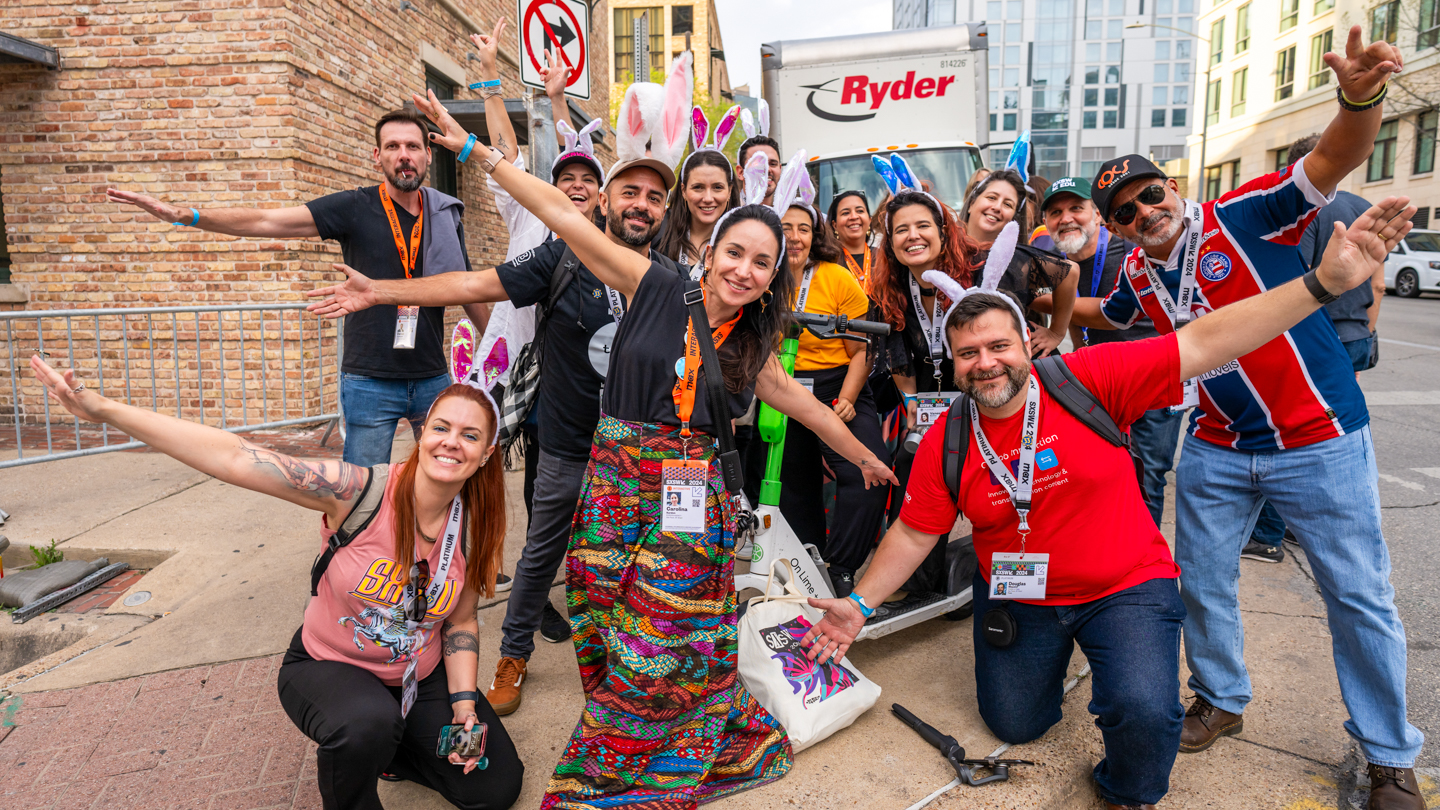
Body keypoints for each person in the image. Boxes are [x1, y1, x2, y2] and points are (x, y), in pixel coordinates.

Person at [798, 194, 1416, 810]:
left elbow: (1205, 341)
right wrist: (857, 605)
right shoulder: (948, 438)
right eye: (968, 354)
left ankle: (1124, 788)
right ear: (955, 364)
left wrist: (1320, 283)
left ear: (1027, 343)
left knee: (1145, 713)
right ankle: (1060, 665)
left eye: (999, 347)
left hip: (1123, 587)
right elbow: (913, 532)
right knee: (1014, 725)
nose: (986, 364)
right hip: (1023, 593)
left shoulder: (1086, 379)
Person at [398, 84, 898, 806]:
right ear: (712, 249)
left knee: (664, 633)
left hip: (689, 500)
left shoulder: (754, 343)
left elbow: (808, 410)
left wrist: (862, 455)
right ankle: (678, 731)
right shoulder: (657, 285)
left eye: (763, 263)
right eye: (736, 252)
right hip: (615, 485)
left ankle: (628, 767)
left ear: (770, 279)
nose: (745, 270)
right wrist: (474, 150)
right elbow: (556, 212)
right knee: (604, 615)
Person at [1069, 28, 1424, 809]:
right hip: (1219, 447)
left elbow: (1332, 158)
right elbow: (1109, 313)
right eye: (1125, 211)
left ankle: (1390, 756)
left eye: (1150, 193)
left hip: (1319, 438)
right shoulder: (1136, 271)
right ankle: (1222, 701)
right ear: (1119, 228)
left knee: (1358, 596)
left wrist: (1361, 98)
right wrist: (1048, 301)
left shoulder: (1247, 213)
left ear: (1172, 187)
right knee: (1198, 580)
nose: (1144, 212)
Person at [306, 98, 683, 716]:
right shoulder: (562, 256)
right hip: (567, 440)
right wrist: (379, 292)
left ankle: (626, 659)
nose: (641, 204)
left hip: (639, 452)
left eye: (654, 198)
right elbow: (473, 283)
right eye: (630, 192)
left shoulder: (671, 277)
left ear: (664, 211)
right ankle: (513, 653)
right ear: (606, 202)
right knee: (542, 553)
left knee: (637, 554)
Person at [28, 356, 525, 810]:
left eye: (469, 435)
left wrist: (463, 704)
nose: (451, 442)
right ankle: (368, 760)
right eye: (441, 427)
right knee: (365, 726)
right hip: (331, 666)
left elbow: (460, 621)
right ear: (422, 434)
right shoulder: (360, 491)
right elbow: (237, 457)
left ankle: (391, 751)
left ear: (484, 455)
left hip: (419, 675)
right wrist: (104, 409)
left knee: (493, 788)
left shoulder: (474, 523)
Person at [107, 111, 488, 468]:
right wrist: (189, 216)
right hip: (370, 381)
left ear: (427, 155)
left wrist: (495, 343)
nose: (403, 156)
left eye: (412, 147)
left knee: (449, 480)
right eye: (393, 147)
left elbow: (467, 284)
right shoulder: (354, 207)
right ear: (377, 156)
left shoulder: (444, 213)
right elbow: (266, 220)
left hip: (433, 376)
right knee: (361, 493)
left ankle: (434, 543)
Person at [1244, 133, 1384, 564]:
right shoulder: (1362, 207)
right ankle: (1298, 528)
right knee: (1335, 432)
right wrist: (1361, 330)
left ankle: (1269, 534)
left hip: (1318, 338)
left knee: (1288, 434)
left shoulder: (1302, 212)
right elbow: (1377, 283)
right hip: (1358, 334)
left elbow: (1293, 280)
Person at [1033, 177, 1183, 528]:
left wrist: (1046, 301)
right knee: (1099, 475)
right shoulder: (1056, 262)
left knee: (1148, 476)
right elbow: (1076, 322)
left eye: (1076, 209)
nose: (1066, 218)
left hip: (1152, 384)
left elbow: (1101, 311)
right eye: (1055, 212)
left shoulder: (1131, 252)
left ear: (1098, 215)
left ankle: (1146, 562)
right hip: (1098, 387)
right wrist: (1065, 335)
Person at [773, 187, 892, 596]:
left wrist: (845, 397)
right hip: (779, 387)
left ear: (816, 234)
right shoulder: (760, 277)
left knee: (867, 476)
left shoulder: (836, 275)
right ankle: (806, 570)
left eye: (803, 228)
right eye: (785, 227)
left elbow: (862, 350)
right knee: (792, 488)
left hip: (839, 384)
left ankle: (841, 566)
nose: (794, 236)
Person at [958, 168, 1077, 355]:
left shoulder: (1016, 258)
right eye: (991, 197)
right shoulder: (946, 248)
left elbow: (1071, 272)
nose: (997, 207)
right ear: (972, 203)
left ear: (1012, 218)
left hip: (1011, 362)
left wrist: (1056, 333)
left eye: (1007, 204)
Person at [654, 106, 742, 274]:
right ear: (684, 190)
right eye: (698, 188)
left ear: (730, 191)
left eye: (717, 187)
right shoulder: (658, 231)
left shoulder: (744, 240)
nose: (708, 198)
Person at [828, 190, 875, 288]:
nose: (853, 217)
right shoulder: (827, 262)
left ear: (869, 220)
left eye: (860, 211)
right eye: (845, 213)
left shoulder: (885, 257)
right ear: (834, 225)